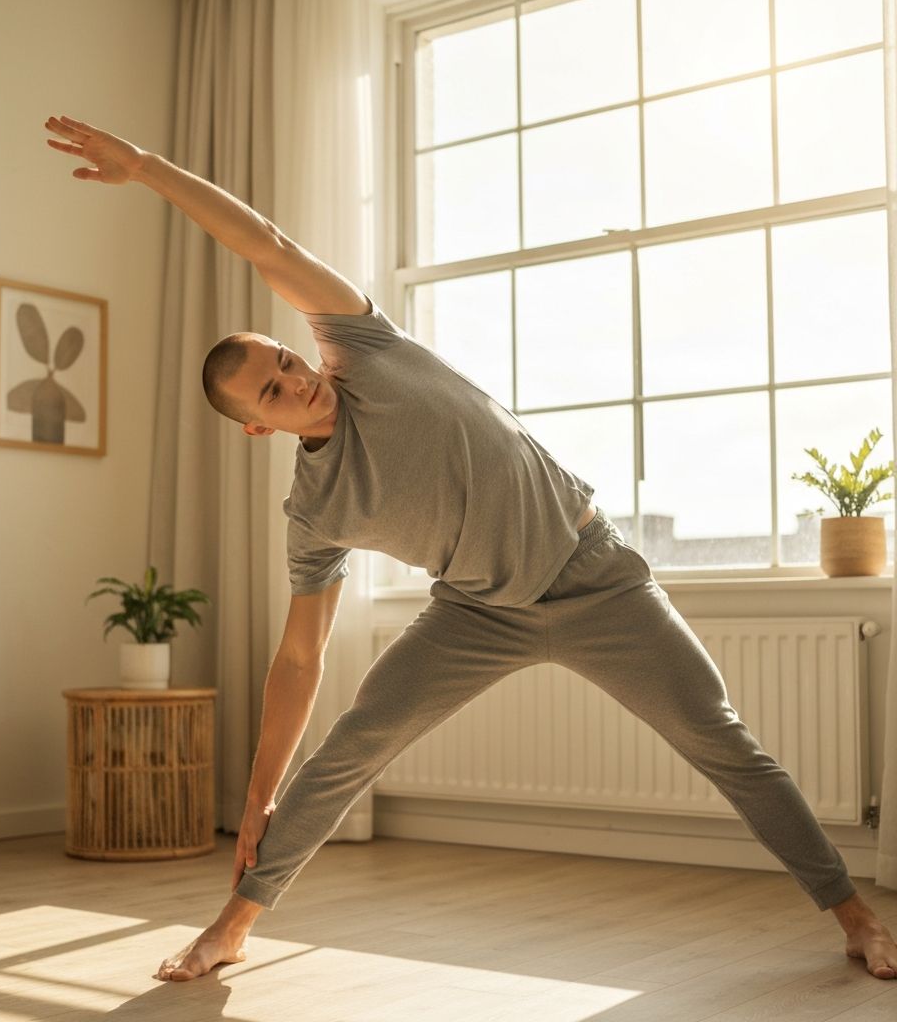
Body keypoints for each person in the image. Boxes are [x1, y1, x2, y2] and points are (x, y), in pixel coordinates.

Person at [45, 114, 897, 984]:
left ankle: (855, 915)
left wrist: (148, 168)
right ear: (259, 425)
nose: (298, 380)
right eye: (274, 390)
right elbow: (298, 658)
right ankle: (231, 925)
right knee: (350, 748)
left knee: (724, 742)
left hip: (597, 580)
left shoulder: (363, 350)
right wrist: (259, 793)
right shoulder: (313, 512)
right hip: (476, 614)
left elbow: (265, 243)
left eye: (284, 360)